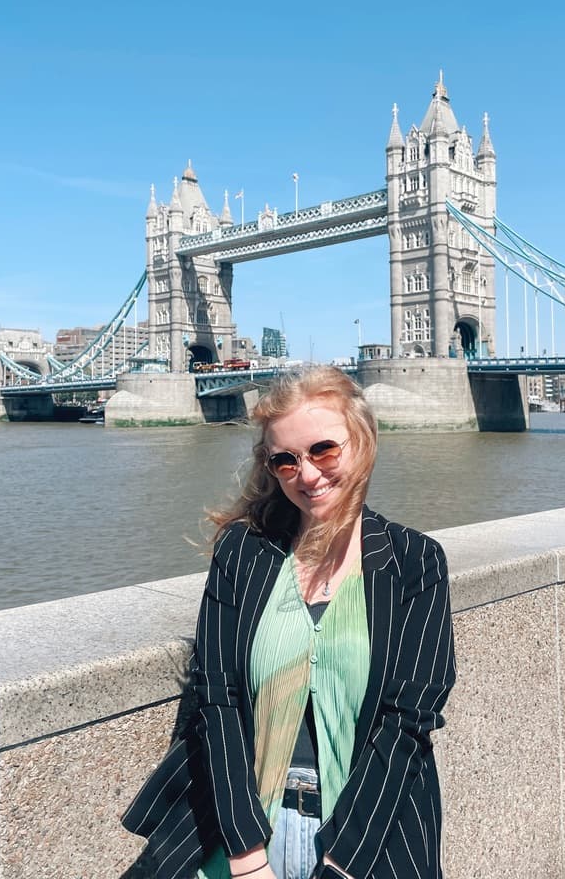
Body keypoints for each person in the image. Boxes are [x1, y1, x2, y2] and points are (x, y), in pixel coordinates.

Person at [123, 367, 456, 879]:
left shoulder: (415, 562)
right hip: (250, 829)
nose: (307, 474)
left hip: (368, 837)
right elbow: (218, 699)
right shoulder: (243, 554)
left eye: (324, 449)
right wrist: (247, 856)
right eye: (286, 460)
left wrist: (342, 863)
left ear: (362, 441)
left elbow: (406, 723)